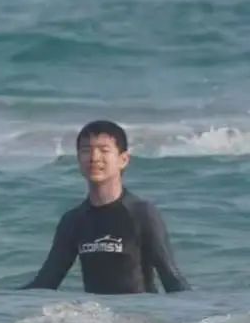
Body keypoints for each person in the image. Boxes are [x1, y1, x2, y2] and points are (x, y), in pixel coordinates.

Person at [23, 120, 189, 294]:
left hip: (138, 310)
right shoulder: (73, 220)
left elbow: (172, 279)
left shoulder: (142, 214)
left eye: (104, 150)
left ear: (123, 160)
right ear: (78, 158)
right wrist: (5, 301)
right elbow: (46, 282)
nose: (94, 158)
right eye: (86, 150)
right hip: (97, 312)